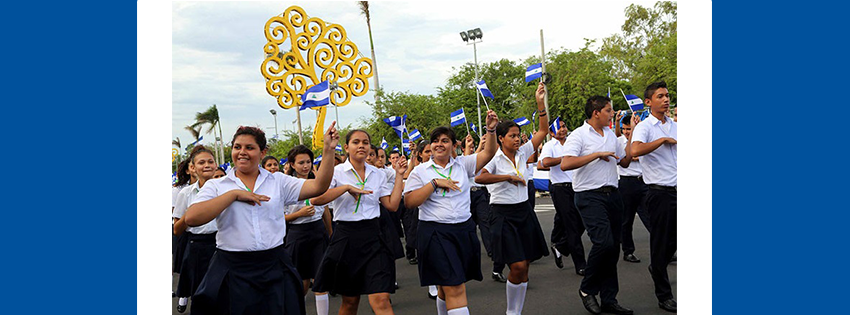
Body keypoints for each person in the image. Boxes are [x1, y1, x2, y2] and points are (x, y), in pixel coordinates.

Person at [184, 123, 340, 315]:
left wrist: (328, 149)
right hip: (232, 268)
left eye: (249, 147)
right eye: (237, 147)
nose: (242, 152)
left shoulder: (278, 181)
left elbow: (318, 186)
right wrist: (233, 195)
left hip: (274, 266)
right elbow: (191, 217)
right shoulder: (217, 185)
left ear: (262, 152)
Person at [404, 110, 499, 315]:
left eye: (445, 140)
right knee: (455, 286)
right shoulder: (421, 171)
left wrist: (491, 129)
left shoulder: (463, 165)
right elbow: (409, 202)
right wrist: (434, 184)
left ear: (454, 145)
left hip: (463, 230)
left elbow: (488, 153)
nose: (439, 144)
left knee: (445, 286)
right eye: (436, 141)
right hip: (435, 233)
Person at [309, 129, 408, 315]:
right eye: (356, 142)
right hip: (347, 237)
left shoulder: (377, 174)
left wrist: (400, 175)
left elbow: (392, 205)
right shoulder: (336, 172)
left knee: (381, 300)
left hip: (375, 237)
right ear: (346, 147)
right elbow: (316, 199)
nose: (361, 145)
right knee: (350, 301)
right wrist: (345, 188)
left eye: (365, 142)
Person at [476, 82, 550, 315]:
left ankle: (516, 311)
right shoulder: (493, 157)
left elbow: (542, 131)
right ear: (500, 139)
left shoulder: (524, 152)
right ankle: (511, 311)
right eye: (512, 136)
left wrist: (540, 103)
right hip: (502, 214)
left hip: (524, 212)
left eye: (518, 136)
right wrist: (505, 177)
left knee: (525, 266)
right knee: (516, 265)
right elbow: (480, 178)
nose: (517, 140)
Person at [560, 95, 634, 315]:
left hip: (613, 194)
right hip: (589, 195)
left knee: (613, 248)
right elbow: (566, 163)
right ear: (596, 112)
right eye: (609, 111)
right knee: (603, 243)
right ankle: (587, 289)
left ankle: (609, 298)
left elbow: (625, 161)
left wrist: (632, 138)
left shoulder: (611, 134)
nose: (612, 115)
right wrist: (596, 154)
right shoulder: (578, 135)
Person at [630, 81, 677, 313]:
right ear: (648, 102)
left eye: (667, 95)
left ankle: (657, 266)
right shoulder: (645, 127)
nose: (666, 99)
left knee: (675, 242)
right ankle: (664, 295)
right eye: (660, 96)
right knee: (660, 244)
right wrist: (661, 141)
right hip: (659, 192)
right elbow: (635, 151)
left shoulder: (675, 125)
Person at [282, 145, 334, 315]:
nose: (305, 166)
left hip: (317, 232)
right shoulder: (285, 185)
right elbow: (278, 218)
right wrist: (298, 214)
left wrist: (330, 231)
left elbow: (325, 210)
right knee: (301, 282)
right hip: (297, 234)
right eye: (301, 162)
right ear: (292, 164)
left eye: (308, 162)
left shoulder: (317, 183)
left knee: (320, 281)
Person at [172, 146, 219, 313]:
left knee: (221, 295)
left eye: (210, 161)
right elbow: (177, 230)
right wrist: (191, 214)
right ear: (192, 168)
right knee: (199, 296)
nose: (207, 165)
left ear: (216, 165)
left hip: (222, 247)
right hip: (196, 247)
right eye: (201, 162)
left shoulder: (226, 190)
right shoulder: (185, 193)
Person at [540, 118, 587, 275]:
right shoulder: (549, 146)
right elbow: (545, 162)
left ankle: (561, 246)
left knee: (583, 221)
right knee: (572, 225)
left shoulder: (573, 142)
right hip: (560, 188)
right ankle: (580, 264)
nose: (562, 130)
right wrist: (565, 159)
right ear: (552, 133)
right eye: (558, 128)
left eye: (564, 126)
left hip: (577, 186)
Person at [461, 134, 506, 283]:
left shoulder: (480, 157)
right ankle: (469, 253)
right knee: (469, 226)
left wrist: (482, 144)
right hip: (467, 196)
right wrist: (476, 145)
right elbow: (469, 159)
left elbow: (483, 155)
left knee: (485, 222)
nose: (473, 149)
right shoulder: (462, 160)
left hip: (480, 193)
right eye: (469, 147)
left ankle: (491, 250)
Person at [617, 114, 651, 264]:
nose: (626, 132)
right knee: (627, 220)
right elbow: (624, 158)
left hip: (643, 181)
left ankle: (664, 250)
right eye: (624, 129)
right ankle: (628, 251)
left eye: (629, 129)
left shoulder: (643, 140)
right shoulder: (618, 142)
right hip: (626, 182)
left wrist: (636, 154)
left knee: (651, 218)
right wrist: (635, 155)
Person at [400, 140, 432, 265]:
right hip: (417, 206)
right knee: (413, 230)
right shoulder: (417, 170)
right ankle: (412, 252)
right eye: (427, 152)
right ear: (421, 154)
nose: (430, 154)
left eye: (431, 151)